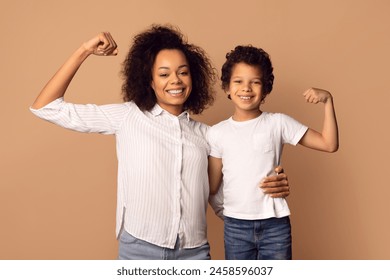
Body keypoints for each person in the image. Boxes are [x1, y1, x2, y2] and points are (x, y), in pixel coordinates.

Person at [30, 25, 291, 260]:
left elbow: (221, 195)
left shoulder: (206, 135)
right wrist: (84, 50)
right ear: (150, 81)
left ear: (194, 78)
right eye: (164, 74)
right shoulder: (128, 117)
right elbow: (46, 107)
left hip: (195, 253)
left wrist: (267, 187)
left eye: (183, 72)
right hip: (140, 250)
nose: (175, 80)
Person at [207, 45, 339, 260]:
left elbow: (329, 143)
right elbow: (212, 186)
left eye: (255, 82)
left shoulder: (278, 123)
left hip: (275, 225)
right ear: (227, 88)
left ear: (266, 88)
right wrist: (231, 209)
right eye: (238, 81)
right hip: (236, 228)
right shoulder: (216, 133)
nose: (246, 88)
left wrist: (328, 101)